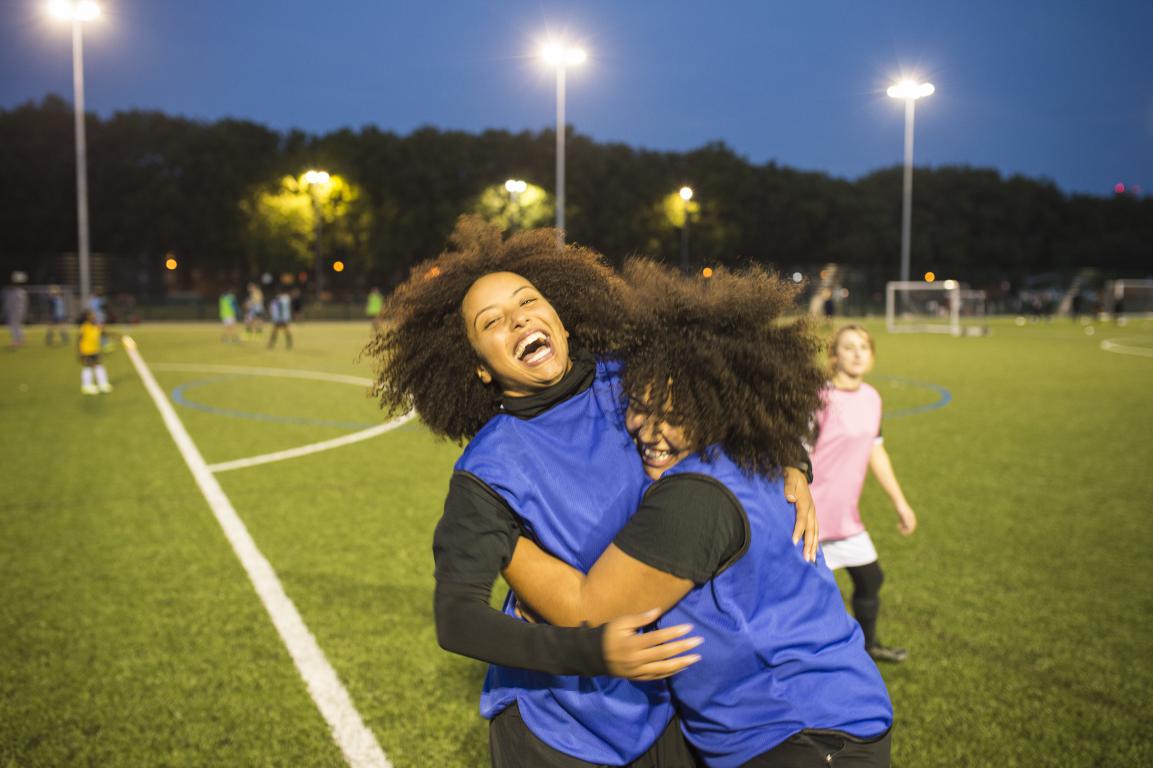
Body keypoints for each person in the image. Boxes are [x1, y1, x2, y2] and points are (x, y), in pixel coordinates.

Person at [368, 218, 818, 767]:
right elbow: (456, 617)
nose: (518, 320)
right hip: (559, 730)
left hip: (668, 703)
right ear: (481, 368)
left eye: (527, 301)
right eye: (492, 323)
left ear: (557, 313)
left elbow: (739, 395)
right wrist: (593, 652)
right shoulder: (488, 468)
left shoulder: (634, 377)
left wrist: (791, 461)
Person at [503, 261, 893, 768]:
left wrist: (500, 535)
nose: (647, 429)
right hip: (815, 723)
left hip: (799, 735)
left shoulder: (696, 497)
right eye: (638, 406)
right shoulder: (750, 452)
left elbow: (588, 611)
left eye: (672, 414)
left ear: (713, 406)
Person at [809, 324, 917, 664]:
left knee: (871, 578)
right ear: (834, 356)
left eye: (864, 347)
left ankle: (867, 647)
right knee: (805, 594)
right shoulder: (818, 398)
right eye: (849, 347)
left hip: (845, 517)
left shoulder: (872, 398)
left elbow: (876, 451)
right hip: (809, 514)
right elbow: (794, 456)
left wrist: (901, 503)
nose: (857, 353)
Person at [77, 308, 113, 394]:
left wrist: (102, 329)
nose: (94, 316)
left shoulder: (96, 326)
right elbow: (79, 340)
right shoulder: (84, 327)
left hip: (95, 350)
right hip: (86, 351)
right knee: (88, 368)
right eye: (91, 315)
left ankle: (103, 384)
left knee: (99, 366)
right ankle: (86, 386)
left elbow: (103, 334)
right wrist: (79, 352)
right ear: (87, 317)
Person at [3, 271, 29, 348]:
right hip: (19, 311)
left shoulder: (14, 292)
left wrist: (6, 310)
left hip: (15, 311)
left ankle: (16, 341)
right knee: (18, 326)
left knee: (14, 326)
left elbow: (9, 304)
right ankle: (21, 339)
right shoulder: (22, 292)